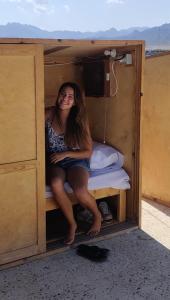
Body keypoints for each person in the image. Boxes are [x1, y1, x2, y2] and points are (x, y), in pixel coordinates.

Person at [45, 82, 102, 245]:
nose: (65, 98)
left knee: (80, 190)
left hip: (75, 159)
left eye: (70, 96)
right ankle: (72, 224)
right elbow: (29, 123)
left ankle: (97, 216)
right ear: (58, 95)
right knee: (56, 184)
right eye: (63, 94)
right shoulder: (50, 113)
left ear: (76, 101)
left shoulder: (79, 120)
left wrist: (66, 153)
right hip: (55, 161)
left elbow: (88, 151)